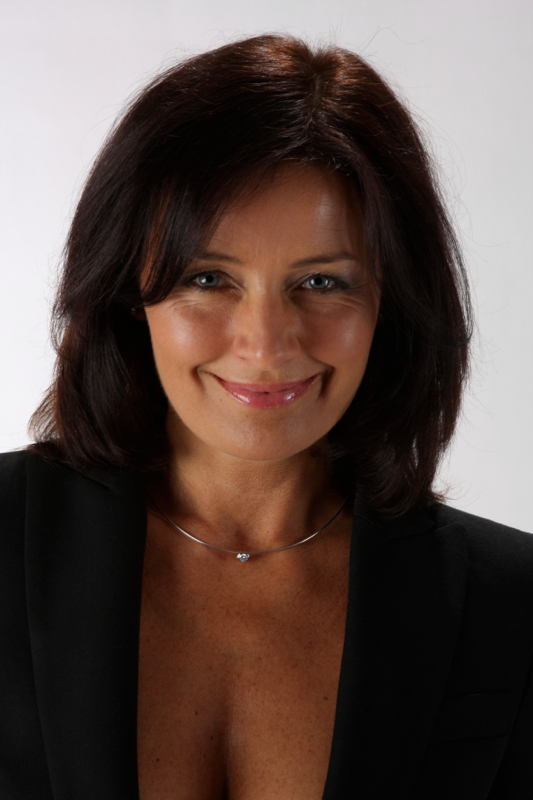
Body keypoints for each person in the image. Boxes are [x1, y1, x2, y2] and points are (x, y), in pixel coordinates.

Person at [1, 33, 532, 800]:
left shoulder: (509, 608)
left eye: (320, 282)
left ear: (391, 304)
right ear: (127, 291)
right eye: (207, 277)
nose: (265, 344)